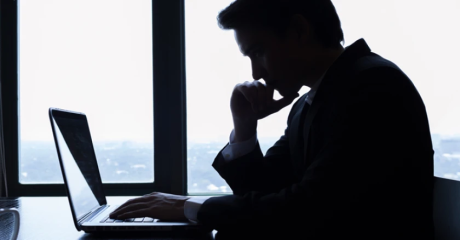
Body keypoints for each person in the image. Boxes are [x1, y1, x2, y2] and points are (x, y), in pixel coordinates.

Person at [110, 0, 434, 239]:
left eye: (258, 51)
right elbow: (265, 192)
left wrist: (191, 207)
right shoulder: (311, 103)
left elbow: (306, 210)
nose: (255, 73)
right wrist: (244, 125)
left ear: (299, 31)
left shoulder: (372, 88)